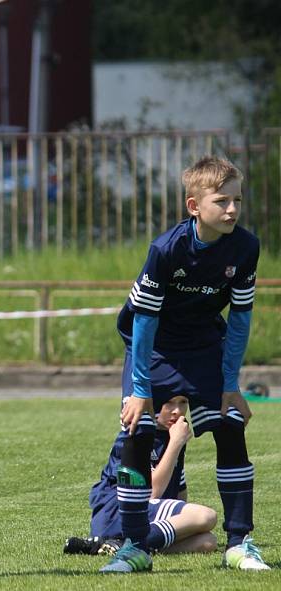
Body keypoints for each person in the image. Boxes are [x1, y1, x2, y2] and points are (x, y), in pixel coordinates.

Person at [102, 155, 269, 573]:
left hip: (204, 348)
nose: (232, 209)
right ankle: (134, 547)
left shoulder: (246, 247)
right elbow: (143, 322)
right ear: (195, 206)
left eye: (237, 200)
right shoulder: (166, 249)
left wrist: (231, 383)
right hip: (153, 348)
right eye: (222, 201)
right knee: (137, 434)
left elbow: (241, 318)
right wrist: (140, 390)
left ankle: (239, 543)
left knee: (230, 425)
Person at [65, 395, 217, 557]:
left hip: (149, 514)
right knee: (206, 516)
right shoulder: (137, 434)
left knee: (207, 541)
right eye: (168, 402)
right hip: (119, 513)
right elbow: (151, 493)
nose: (177, 411)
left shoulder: (170, 434)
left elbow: (179, 492)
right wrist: (175, 443)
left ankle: (121, 547)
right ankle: (128, 543)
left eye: (183, 403)